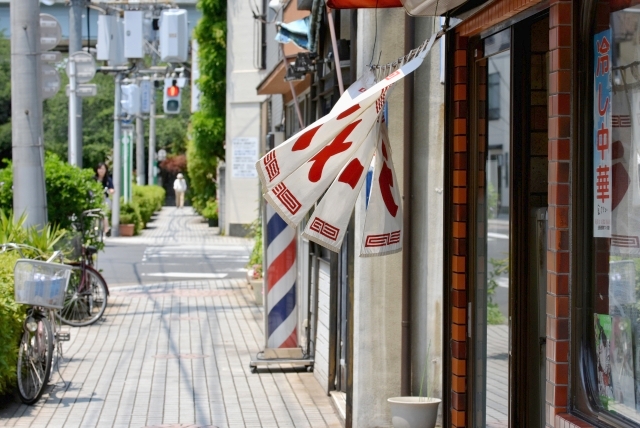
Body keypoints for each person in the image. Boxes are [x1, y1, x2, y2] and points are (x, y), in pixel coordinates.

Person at [95, 162, 114, 236]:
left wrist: (110, 191)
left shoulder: (108, 179)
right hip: (95, 199)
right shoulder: (94, 179)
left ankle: (106, 229)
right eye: (100, 169)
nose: (101, 171)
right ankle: (95, 229)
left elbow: (112, 189)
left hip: (104, 199)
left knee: (104, 213)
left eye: (103, 169)